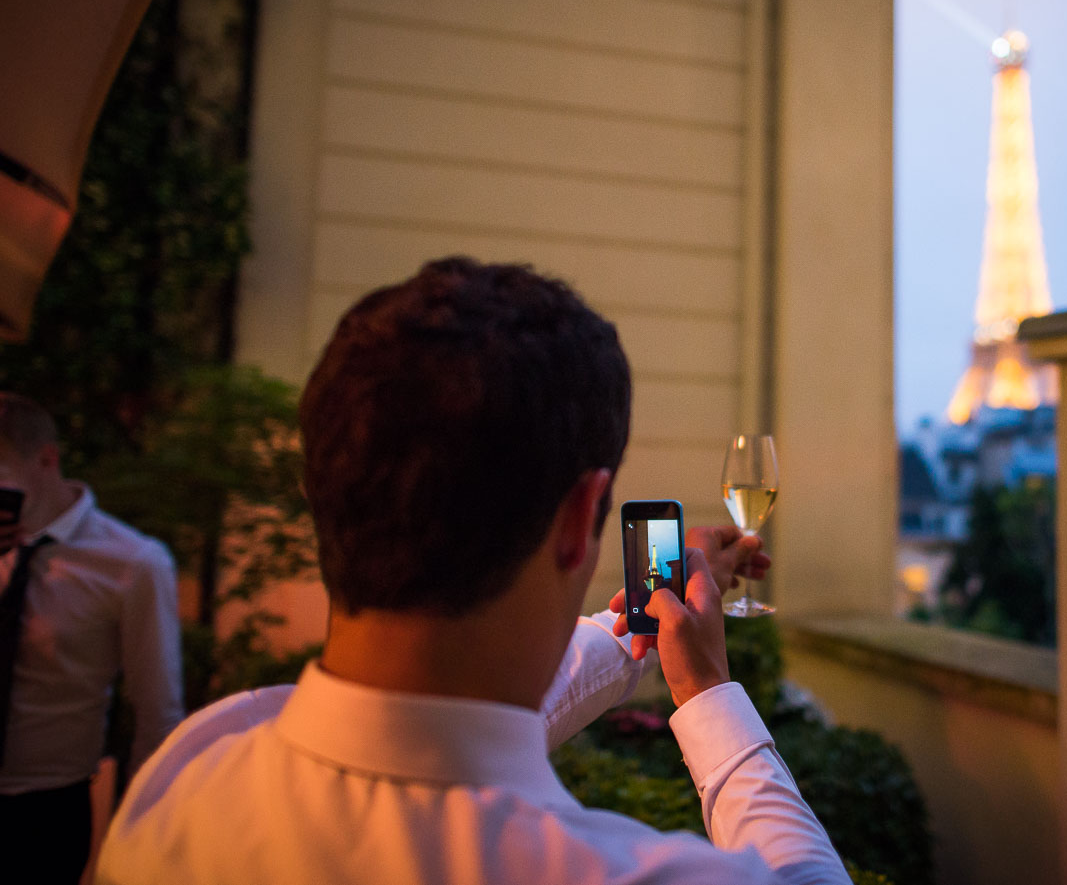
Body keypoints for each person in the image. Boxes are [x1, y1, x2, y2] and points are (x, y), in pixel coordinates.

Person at [98, 258, 851, 884]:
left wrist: (640, 634)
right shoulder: (627, 871)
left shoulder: (186, 773)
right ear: (579, 514)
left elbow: (442, 717)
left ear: (322, 488)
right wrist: (708, 690)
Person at [0, 393, 183, 885]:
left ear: (46, 459)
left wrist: (144, 830)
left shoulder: (132, 562)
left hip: (42, 810)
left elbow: (156, 708)